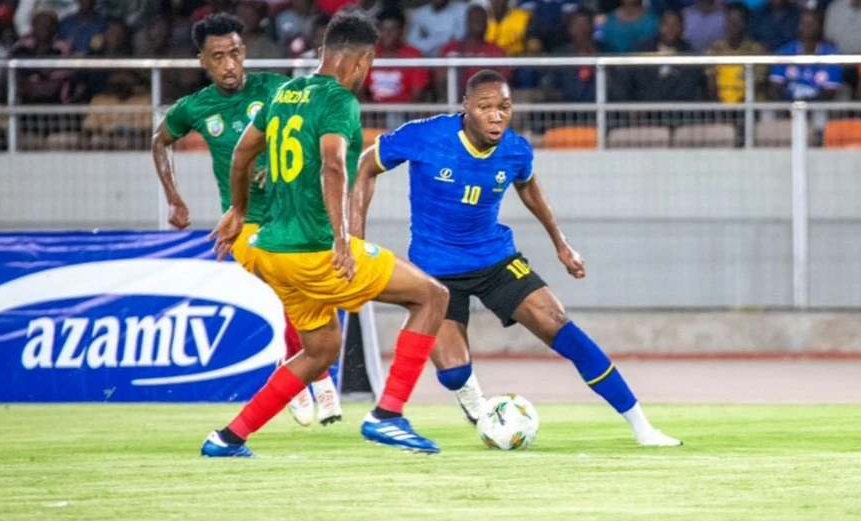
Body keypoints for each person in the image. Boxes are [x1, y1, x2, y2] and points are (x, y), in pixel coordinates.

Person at [350, 70, 683, 448]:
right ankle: (476, 405)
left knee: (559, 324)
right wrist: (356, 241)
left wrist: (562, 243)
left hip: (495, 260)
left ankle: (642, 427)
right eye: (485, 107)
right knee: (454, 373)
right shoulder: (426, 136)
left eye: (504, 107)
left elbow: (529, 187)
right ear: (466, 108)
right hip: (435, 272)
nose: (496, 116)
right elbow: (366, 165)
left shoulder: (516, 149)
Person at [205, 8, 449, 457]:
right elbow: (334, 164)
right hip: (316, 250)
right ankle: (388, 416)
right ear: (362, 61)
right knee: (432, 296)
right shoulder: (339, 101)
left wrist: (238, 211)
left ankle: (227, 438)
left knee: (320, 350)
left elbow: (241, 153)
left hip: (271, 251)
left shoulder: (285, 93)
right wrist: (342, 239)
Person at [151, 13, 343, 429]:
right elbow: (159, 141)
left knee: (303, 293)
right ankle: (320, 377)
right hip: (245, 225)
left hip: (293, 216)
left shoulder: (275, 89)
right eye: (218, 57)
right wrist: (174, 199)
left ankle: (293, 365)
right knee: (291, 288)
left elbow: (311, 130)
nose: (229, 65)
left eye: (235, 53)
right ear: (204, 61)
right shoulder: (196, 107)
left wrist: (275, 165)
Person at [769, 9, 842, 101]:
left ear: (820, 27)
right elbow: (775, 87)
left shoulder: (831, 55)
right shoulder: (785, 52)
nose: (806, 27)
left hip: (818, 109)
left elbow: (830, 92)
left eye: (811, 24)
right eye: (803, 23)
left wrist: (806, 106)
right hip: (788, 107)